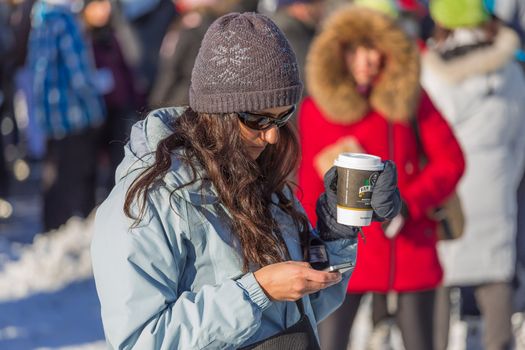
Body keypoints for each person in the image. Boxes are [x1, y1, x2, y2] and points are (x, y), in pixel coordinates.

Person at [91, 12, 401, 349]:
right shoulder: (147, 200)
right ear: (217, 111)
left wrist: (337, 228)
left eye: (282, 117)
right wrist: (256, 291)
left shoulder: (260, 177)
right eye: (257, 119)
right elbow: (139, 341)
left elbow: (304, 308)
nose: (271, 136)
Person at [297, 4, 465, 350]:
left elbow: (451, 160)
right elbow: (308, 188)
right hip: (342, 255)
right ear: (337, 52)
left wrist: (409, 202)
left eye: (374, 48)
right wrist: (309, 247)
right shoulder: (317, 110)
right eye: (356, 48)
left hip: (408, 247)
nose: (367, 60)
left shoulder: (411, 102)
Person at [421, 1, 525, 349]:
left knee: (438, 276)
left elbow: (424, 135)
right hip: (496, 183)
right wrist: (507, 179)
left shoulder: (431, 72)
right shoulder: (510, 68)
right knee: (496, 279)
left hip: (447, 188)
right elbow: (520, 139)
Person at [28, 0, 106, 230]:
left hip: (51, 118)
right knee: (76, 182)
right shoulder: (65, 22)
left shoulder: (41, 20)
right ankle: (75, 234)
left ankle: (51, 232)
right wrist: (97, 109)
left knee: (54, 178)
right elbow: (80, 77)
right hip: (74, 116)